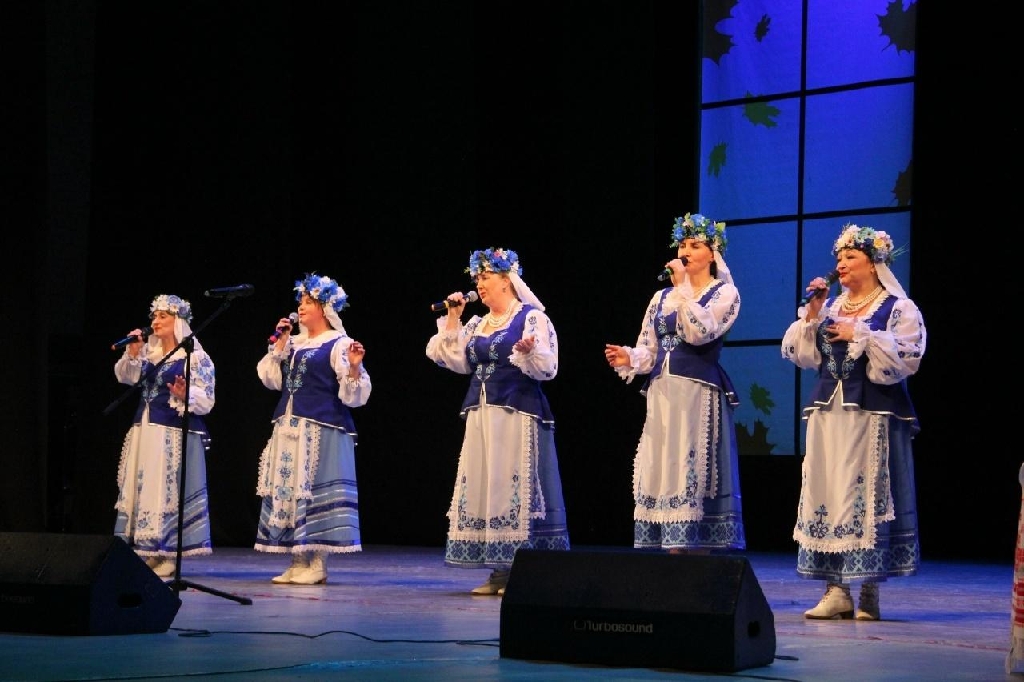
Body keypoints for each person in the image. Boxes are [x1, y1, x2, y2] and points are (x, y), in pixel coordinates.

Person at [782, 223, 926, 621]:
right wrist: (813, 315)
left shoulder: (898, 308)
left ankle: (869, 592)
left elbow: (907, 359)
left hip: (870, 413)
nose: (841, 264)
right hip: (829, 412)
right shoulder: (830, 307)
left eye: (851, 257)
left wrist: (861, 332)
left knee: (864, 496)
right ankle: (836, 590)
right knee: (830, 492)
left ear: (874, 262)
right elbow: (803, 355)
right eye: (839, 258)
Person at [425, 247, 570, 596]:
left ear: (507, 280)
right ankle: (499, 569)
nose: (479, 283)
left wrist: (529, 352)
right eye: (477, 277)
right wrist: (453, 318)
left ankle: (522, 570)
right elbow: (456, 361)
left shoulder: (531, 318)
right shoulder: (477, 323)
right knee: (488, 484)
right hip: (481, 414)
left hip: (516, 413)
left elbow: (549, 368)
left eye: (486, 276)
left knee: (511, 484)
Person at [604, 213, 746, 555]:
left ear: (712, 254)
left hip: (696, 391)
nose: (685, 251)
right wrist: (630, 357)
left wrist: (683, 288)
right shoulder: (661, 297)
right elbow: (650, 348)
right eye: (682, 245)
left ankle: (693, 544)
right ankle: (671, 544)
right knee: (664, 460)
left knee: (690, 459)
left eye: (694, 245)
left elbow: (699, 333)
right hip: (663, 391)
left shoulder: (724, 293)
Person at [254, 273, 370, 585]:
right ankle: (297, 560)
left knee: (315, 491)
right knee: (292, 490)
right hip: (290, 424)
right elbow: (271, 380)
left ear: (325, 308)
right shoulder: (292, 343)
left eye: (308, 302)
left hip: (322, 427)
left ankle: (317, 563)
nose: (301, 307)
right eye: (301, 302)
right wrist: (278, 346)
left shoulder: (338, 343)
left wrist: (355, 367)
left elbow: (354, 395)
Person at [113, 294, 215, 578]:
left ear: (178, 321)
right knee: (146, 489)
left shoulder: (194, 357)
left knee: (166, 491)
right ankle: (151, 551)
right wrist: (133, 352)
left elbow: (207, 399)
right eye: (154, 316)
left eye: (163, 316)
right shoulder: (150, 355)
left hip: (172, 432)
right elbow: (126, 376)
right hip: (146, 430)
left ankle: (169, 552)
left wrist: (186, 394)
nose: (155, 322)